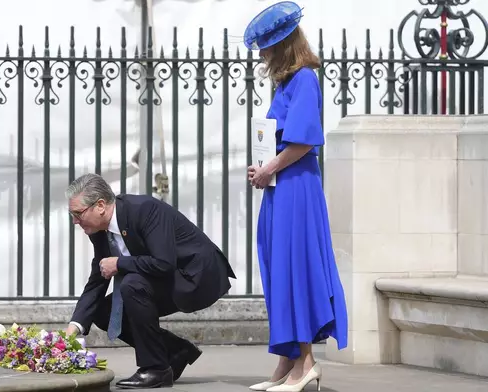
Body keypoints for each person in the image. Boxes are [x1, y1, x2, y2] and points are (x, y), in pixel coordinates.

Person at [244, 2, 348, 392]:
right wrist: (265, 167)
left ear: (283, 45)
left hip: (296, 186)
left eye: (267, 47)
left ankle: (306, 364)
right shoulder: (288, 82)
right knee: (280, 266)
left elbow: (304, 141)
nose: (262, 54)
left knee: (296, 268)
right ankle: (289, 363)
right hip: (283, 185)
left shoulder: (304, 79)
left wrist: (269, 167)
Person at [63, 173, 236, 389]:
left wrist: (120, 263)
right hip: (165, 276)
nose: (74, 221)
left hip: (195, 276)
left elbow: (164, 263)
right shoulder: (99, 231)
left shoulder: (144, 209)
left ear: (100, 205)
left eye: (78, 213)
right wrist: (73, 329)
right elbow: (99, 277)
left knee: (133, 285)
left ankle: (155, 369)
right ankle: (174, 352)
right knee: (103, 310)